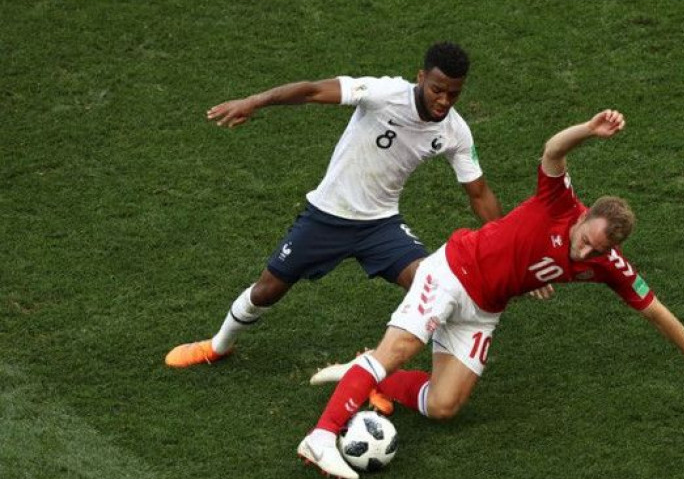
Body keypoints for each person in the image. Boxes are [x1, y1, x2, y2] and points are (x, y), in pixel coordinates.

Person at [297, 109, 684, 479]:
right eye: (585, 240)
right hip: (453, 271)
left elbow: (655, 310)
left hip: (483, 310)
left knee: (443, 405)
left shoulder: (608, 263)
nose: (584, 252)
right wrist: (588, 131)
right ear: (583, 216)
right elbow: (553, 151)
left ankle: (363, 371)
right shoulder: (559, 203)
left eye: (597, 250)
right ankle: (322, 437)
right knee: (399, 349)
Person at [165, 42, 502, 368]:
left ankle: (379, 369)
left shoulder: (455, 131)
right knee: (266, 291)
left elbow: (479, 193)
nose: (444, 101)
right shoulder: (383, 94)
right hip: (326, 217)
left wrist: (507, 247)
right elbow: (312, 91)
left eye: (453, 94)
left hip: (381, 225)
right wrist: (253, 102)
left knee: (432, 289)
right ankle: (218, 345)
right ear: (421, 77)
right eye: (437, 90)